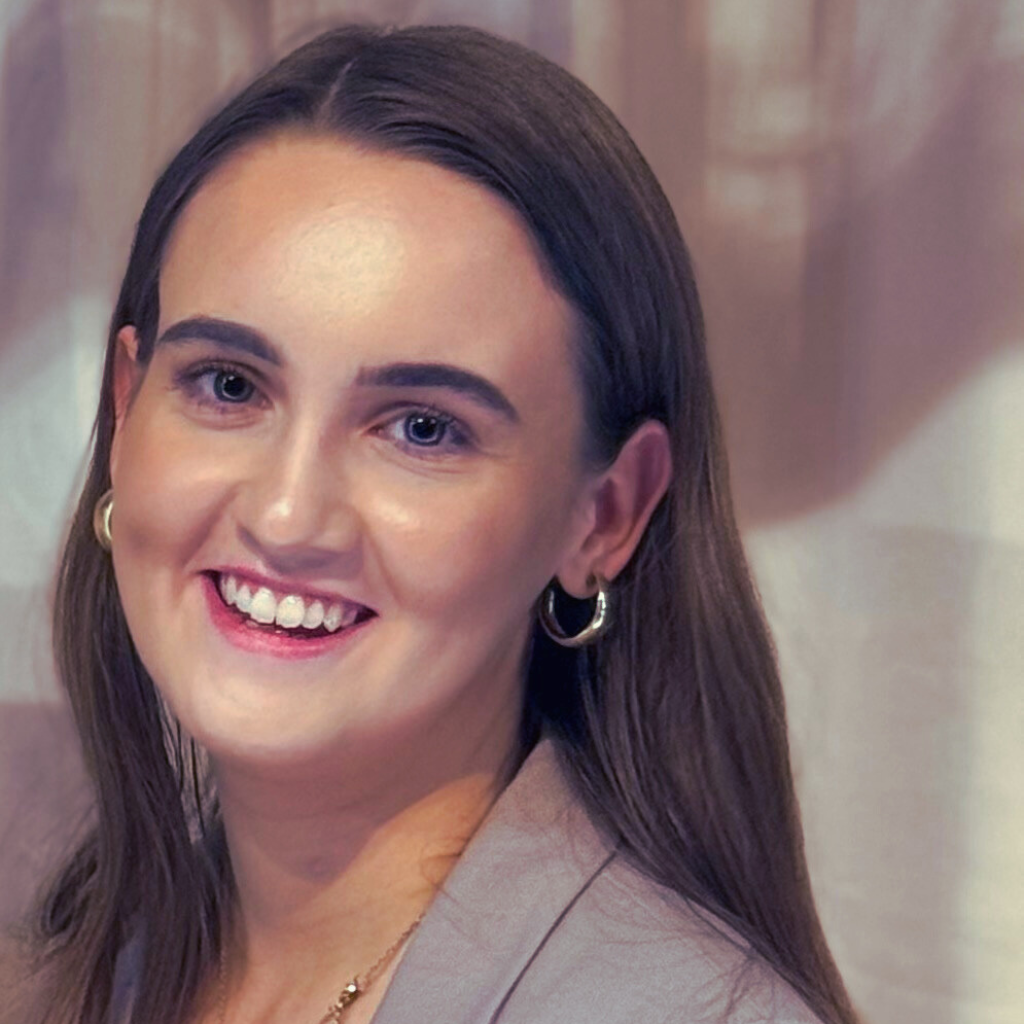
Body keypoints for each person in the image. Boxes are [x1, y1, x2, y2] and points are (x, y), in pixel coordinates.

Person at [2, 22, 857, 1024]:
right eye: (229, 385)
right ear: (125, 409)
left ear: (605, 515)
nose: (287, 514)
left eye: (422, 428)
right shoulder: (72, 973)